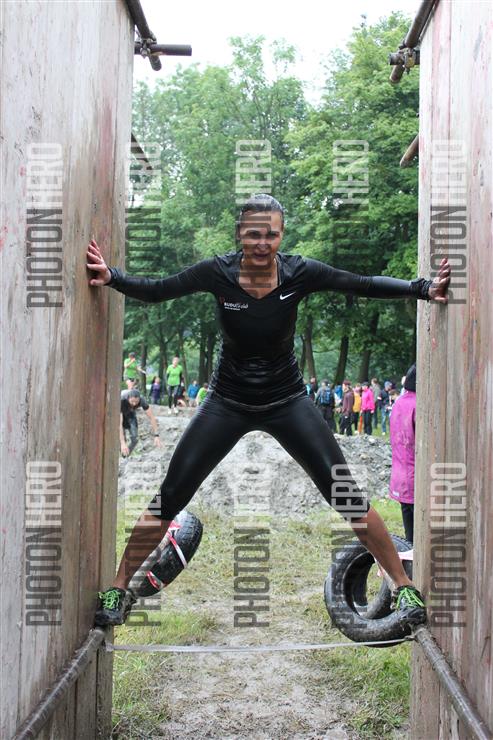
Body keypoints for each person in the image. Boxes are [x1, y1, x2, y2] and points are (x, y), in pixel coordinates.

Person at [87, 192, 450, 627]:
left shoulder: (301, 272)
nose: (262, 243)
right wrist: (113, 276)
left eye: (271, 235)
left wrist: (422, 289)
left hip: (286, 400)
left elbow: (363, 284)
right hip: (227, 401)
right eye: (253, 234)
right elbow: (159, 290)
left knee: (346, 494)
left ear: (282, 235)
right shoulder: (217, 272)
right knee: (171, 494)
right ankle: (118, 589)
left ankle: (402, 586)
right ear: (239, 234)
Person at [389, 364, 416, 543]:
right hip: (416, 478)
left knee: (409, 535)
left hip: (399, 475)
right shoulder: (419, 405)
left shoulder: (399, 402)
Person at [120, 389, 162, 457]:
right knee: (122, 440)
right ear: (128, 398)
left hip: (130, 414)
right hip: (120, 413)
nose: (134, 404)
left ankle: (125, 455)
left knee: (135, 439)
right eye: (132, 401)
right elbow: (119, 424)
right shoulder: (122, 399)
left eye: (136, 402)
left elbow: (151, 417)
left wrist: (156, 435)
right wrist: (122, 443)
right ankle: (122, 453)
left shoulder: (142, 400)